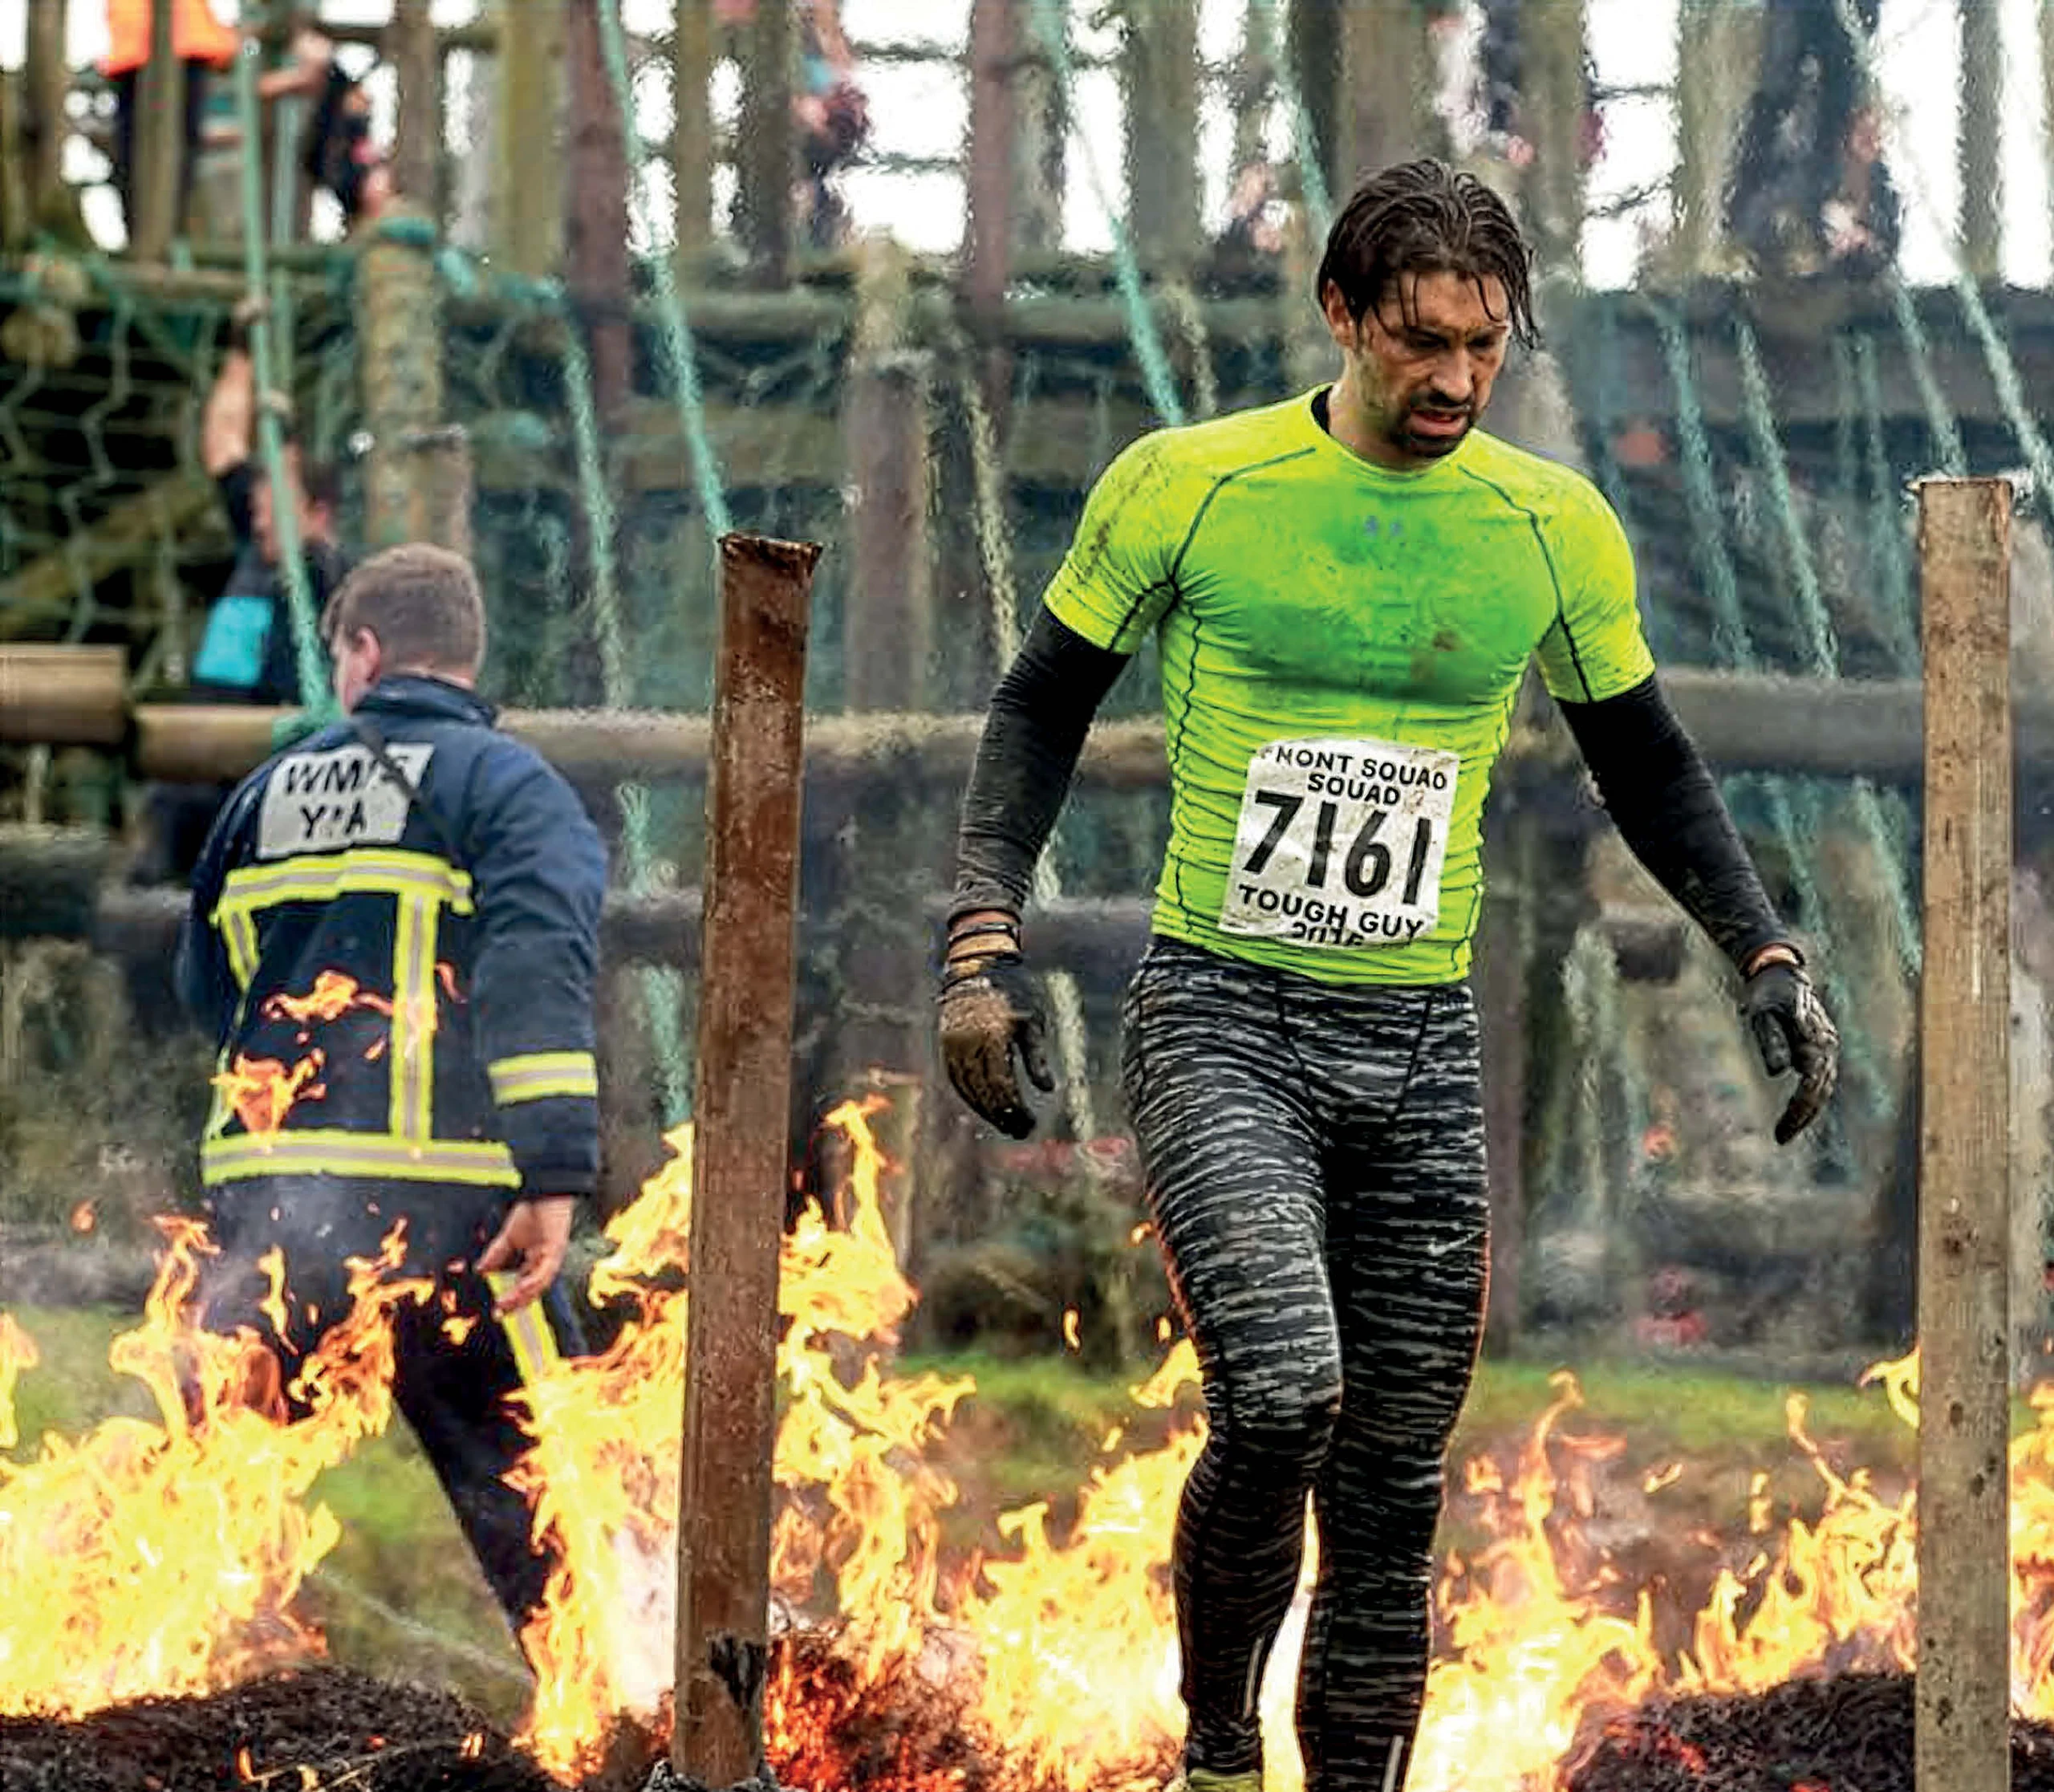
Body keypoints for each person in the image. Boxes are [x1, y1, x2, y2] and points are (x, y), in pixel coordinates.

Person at [937, 160, 1840, 1792]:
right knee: (1283, 1392)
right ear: (1342, 315)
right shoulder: (1188, 484)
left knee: (1393, 1485)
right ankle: (1220, 1750)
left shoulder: (1545, 524)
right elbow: (1039, 704)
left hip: (1418, 1041)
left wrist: (1762, 947)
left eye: (1483, 345)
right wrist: (979, 938)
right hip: (1223, 1015)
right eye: (1421, 339)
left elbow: (1644, 758)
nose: (1453, 379)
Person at [176, 542, 607, 1640]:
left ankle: (133, 1701)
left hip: (263, 1218)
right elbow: (536, 972)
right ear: (465, 653)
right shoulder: (506, 789)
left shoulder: (261, 795)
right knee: (564, 1524)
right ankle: (619, 1714)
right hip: (450, 1222)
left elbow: (206, 988)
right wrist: (554, 1173)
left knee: (198, 1513)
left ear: (363, 652)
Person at [131, 311, 350, 885]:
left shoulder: (328, 577)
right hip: (192, 767)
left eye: (272, 504)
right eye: (257, 505)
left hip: (259, 775)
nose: (258, 516)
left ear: (318, 514)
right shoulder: (259, 549)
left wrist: (288, 438)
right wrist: (240, 355)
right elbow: (224, 445)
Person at [99, 0, 239, 242]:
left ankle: (162, 233)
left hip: (171, 43)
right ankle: (151, 234)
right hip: (149, 46)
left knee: (167, 150)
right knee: (146, 150)